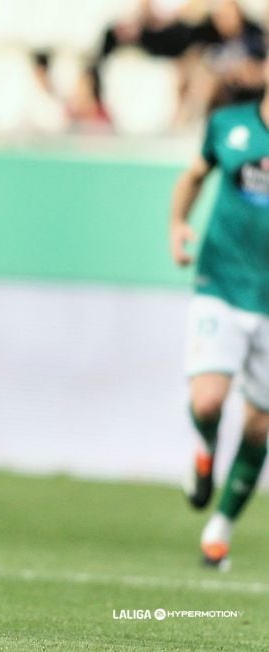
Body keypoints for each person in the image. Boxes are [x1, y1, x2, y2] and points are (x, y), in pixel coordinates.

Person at [169, 63, 269, 569]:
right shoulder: (230, 124)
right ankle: (205, 448)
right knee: (208, 401)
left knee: (259, 426)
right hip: (222, 285)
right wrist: (178, 225)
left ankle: (220, 527)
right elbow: (193, 176)